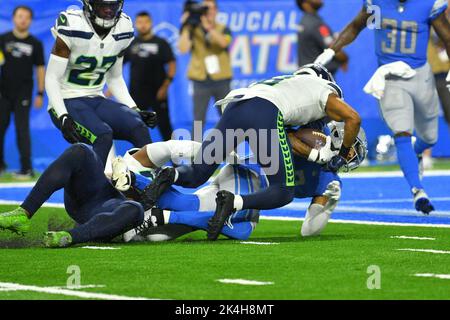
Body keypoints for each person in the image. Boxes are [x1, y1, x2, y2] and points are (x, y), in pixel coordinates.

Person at [139, 64, 362, 240]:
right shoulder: (324, 91)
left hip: (236, 104)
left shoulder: (286, 84)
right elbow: (353, 117)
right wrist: (340, 155)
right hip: (265, 111)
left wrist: (315, 154)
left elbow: (286, 135)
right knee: (283, 191)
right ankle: (233, 203)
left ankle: (170, 174)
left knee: (198, 173)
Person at [110, 121, 367, 241]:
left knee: (158, 236)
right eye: (351, 150)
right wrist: (315, 157)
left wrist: (327, 200)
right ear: (337, 139)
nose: (350, 157)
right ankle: (140, 187)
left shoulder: (327, 176)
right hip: (251, 179)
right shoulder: (316, 140)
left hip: (244, 175)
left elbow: (308, 231)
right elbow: (309, 230)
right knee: (225, 222)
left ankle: (140, 199)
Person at [315, 0, 450, 214]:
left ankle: (416, 151)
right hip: (389, 77)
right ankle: (418, 190)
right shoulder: (376, 3)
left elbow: (447, 36)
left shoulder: (428, 4)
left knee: (429, 137)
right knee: (401, 130)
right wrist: (330, 52)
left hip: (420, 75)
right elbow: (354, 27)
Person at [45, 0, 157, 166]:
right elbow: (52, 77)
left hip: (96, 98)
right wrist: (62, 115)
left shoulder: (123, 27)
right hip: (66, 100)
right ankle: (96, 188)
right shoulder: (73, 25)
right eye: (102, 5)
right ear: (89, 5)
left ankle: (152, 181)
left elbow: (115, 78)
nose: (108, 10)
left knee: (138, 126)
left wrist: (135, 109)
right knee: (103, 134)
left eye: (113, 6)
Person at [0, 143, 144, 248]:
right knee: (80, 151)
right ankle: (23, 213)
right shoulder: (158, 151)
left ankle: (70, 236)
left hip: (119, 207)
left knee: (135, 209)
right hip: (101, 191)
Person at [0, 6, 45, 178]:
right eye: (20, 16)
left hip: (24, 94)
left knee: (22, 130)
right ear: (13, 18)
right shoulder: (2, 39)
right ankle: (1, 165)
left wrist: (40, 93)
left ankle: (26, 168)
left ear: (31, 21)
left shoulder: (35, 44)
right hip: (3, 93)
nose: (23, 20)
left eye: (26, 17)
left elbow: (40, 68)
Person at [178, 0, 233, 132]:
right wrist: (185, 25)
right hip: (200, 80)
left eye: (211, 8)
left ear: (216, 10)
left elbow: (224, 43)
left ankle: (233, 150)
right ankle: (194, 150)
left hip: (221, 79)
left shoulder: (224, 28)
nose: (209, 11)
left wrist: (208, 27)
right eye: (205, 8)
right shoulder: (192, 29)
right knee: (198, 120)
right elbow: (183, 48)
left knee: (227, 117)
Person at [124, 11, 176, 141]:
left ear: (151, 23)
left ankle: (175, 159)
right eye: (140, 22)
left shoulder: (161, 43)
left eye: (146, 22)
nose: (143, 25)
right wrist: (109, 90)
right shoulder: (131, 44)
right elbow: (118, 66)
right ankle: (140, 157)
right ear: (135, 24)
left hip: (158, 93)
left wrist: (165, 87)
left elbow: (172, 64)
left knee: (165, 126)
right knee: (136, 127)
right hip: (137, 94)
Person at [296, 0, 348, 74]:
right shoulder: (315, 24)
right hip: (319, 78)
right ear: (305, 4)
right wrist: (344, 58)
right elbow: (332, 48)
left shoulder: (303, 22)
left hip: (307, 74)